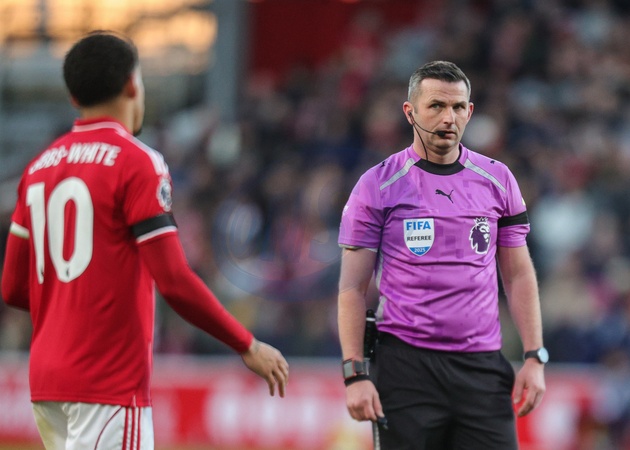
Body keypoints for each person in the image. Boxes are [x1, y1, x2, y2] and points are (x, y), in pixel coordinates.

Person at [1, 31, 289, 450]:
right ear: (132, 85)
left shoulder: (37, 168)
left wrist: (70, 301)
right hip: (107, 383)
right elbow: (173, 280)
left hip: (47, 385)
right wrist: (247, 344)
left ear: (73, 96)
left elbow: (12, 287)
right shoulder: (137, 161)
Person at [337, 60, 546, 449]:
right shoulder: (377, 184)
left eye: (457, 107)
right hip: (405, 369)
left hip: (481, 367)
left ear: (470, 111)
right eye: (436, 106)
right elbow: (352, 288)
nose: (448, 117)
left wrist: (534, 355)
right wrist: (355, 374)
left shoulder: (498, 179)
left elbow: (518, 274)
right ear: (410, 111)